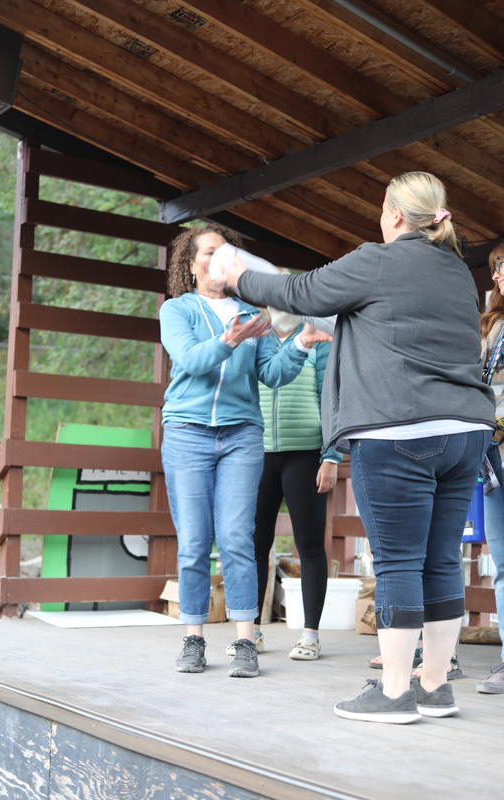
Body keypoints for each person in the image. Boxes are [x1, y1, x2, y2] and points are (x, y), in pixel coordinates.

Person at [219, 171, 495, 721]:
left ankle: (393, 693)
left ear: (395, 214)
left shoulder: (377, 260)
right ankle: (434, 686)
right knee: (441, 559)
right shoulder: (457, 271)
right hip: (466, 432)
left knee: (398, 562)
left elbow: (299, 292)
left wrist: (238, 276)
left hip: (398, 432)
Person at [159, 223, 328, 679]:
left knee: (237, 538)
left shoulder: (254, 314)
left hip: (241, 437)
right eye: (209, 253)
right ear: (191, 265)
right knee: (195, 542)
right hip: (188, 434)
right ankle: (194, 638)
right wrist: (230, 339)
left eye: (225, 253)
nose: (218, 260)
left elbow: (272, 373)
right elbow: (191, 360)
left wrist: (300, 344)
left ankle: (245, 640)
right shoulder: (177, 310)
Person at [226, 302, 342, 661]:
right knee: (254, 544)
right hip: (255, 453)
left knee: (309, 545)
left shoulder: (316, 338)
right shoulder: (256, 338)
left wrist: (332, 456)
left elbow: (332, 397)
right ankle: (251, 633)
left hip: (306, 454)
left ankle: (310, 635)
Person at [476, 243, 504, 694]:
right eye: (496, 268)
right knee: (501, 563)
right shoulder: (491, 325)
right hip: (492, 453)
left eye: (503, 266)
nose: (497, 274)